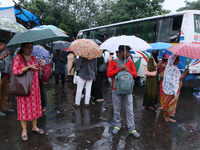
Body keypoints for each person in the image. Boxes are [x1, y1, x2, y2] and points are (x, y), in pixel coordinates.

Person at [12, 42, 45, 141]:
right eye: (28, 48)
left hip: (35, 87)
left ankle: (34, 126)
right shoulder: (18, 58)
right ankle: (24, 130)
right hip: (24, 87)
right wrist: (29, 67)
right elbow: (15, 71)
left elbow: (38, 73)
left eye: (31, 47)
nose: (30, 50)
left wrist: (41, 67)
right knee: (24, 109)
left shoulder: (34, 58)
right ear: (22, 47)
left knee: (34, 107)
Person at [107, 45, 140, 138]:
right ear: (121, 52)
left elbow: (135, 75)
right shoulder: (113, 62)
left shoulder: (130, 62)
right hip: (116, 90)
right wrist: (119, 68)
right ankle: (117, 126)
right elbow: (108, 74)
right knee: (117, 109)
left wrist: (127, 70)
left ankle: (132, 128)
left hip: (128, 90)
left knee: (130, 110)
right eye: (127, 52)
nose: (128, 54)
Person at [162, 54, 189, 122]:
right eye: (178, 59)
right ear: (175, 60)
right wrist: (185, 73)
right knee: (171, 103)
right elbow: (178, 80)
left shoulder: (169, 66)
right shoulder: (174, 68)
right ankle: (167, 117)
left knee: (167, 102)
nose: (179, 60)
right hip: (172, 89)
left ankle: (168, 114)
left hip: (167, 88)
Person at [0, 40, 15, 117]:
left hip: (3, 74)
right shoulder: (3, 54)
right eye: (4, 46)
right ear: (0, 45)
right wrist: (3, 57)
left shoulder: (3, 52)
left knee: (5, 92)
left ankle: (5, 108)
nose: (5, 48)